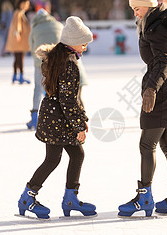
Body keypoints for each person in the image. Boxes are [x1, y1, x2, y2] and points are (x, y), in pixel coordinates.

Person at [118, 0, 167, 217]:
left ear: (147, 5)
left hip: (162, 89)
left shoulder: (156, 27)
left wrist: (151, 89)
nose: (134, 11)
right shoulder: (154, 23)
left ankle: (144, 198)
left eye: (136, 7)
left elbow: (162, 61)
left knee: (146, 144)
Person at [17, 16, 96, 219]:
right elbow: (68, 100)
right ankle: (28, 197)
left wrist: (81, 118)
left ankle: (70, 198)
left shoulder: (58, 58)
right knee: (54, 159)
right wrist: (79, 125)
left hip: (55, 117)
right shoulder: (68, 64)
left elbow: (69, 98)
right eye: (83, 44)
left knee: (74, 155)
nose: (85, 48)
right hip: (58, 120)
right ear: (72, 42)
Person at [26, 8, 63, 130]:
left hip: (41, 62)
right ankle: (58, 116)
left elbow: (31, 47)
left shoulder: (35, 28)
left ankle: (35, 117)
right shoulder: (57, 24)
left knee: (38, 88)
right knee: (56, 88)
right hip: (57, 61)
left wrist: (37, 61)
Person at [5, 0, 31, 84]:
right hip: (19, 40)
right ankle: (20, 76)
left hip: (19, 39)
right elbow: (17, 25)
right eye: (26, 4)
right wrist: (17, 34)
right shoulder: (18, 13)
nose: (27, 6)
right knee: (20, 58)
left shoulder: (19, 13)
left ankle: (16, 75)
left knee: (17, 58)